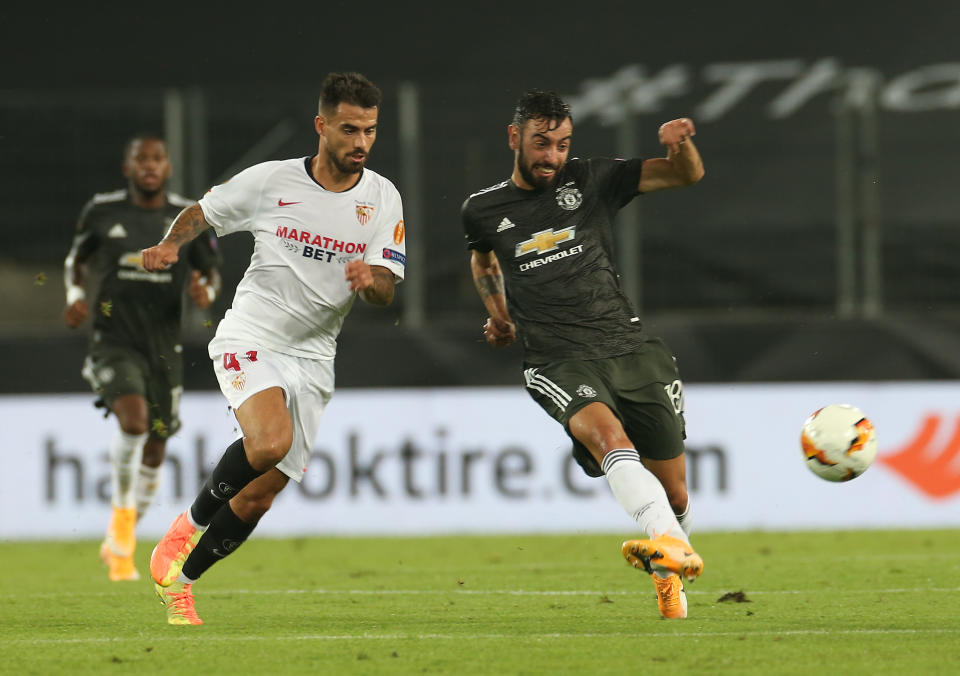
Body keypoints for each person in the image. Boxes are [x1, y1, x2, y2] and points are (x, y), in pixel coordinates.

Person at [140, 72, 405, 625]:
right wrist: (170, 245)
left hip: (314, 357)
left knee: (259, 496)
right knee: (267, 442)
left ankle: (180, 584)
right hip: (252, 335)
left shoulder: (382, 197)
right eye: (350, 129)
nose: (361, 143)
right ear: (322, 126)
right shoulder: (270, 182)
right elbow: (204, 212)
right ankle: (184, 528)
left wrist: (368, 280)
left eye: (371, 132)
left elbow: (387, 287)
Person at [461, 90, 705, 619]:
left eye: (562, 144)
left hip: (631, 347)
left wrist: (681, 145)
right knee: (608, 438)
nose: (552, 156)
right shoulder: (482, 209)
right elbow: (483, 258)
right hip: (557, 357)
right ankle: (667, 541)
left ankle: (669, 570)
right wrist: (499, 314)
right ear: (515, 138)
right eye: (541, 143)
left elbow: (684, 176)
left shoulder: (591, 178)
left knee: (677, 497)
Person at [63, 134, 222, 582]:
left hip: (163, 347)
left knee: (156, 446)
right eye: (141, 159)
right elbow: (76, 259)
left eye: (157, 159)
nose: (150, 165)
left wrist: (204, 292)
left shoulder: (187, 217)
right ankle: (123, 538)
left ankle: (119, 535)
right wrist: (76, 296)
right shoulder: (102, 211)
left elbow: (211, 274)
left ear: (168, 167)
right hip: (114, 340)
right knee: (133, 423)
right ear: (127, 168)